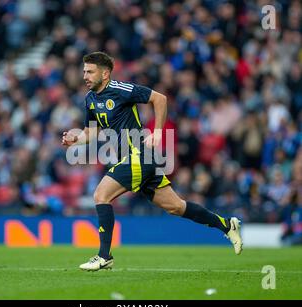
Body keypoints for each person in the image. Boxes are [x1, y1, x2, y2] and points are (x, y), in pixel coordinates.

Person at [62, 52, 243, 271]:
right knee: (176, 207)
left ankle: (104, 256)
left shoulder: (122, 90)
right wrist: (75, 139)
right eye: (84, 71)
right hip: (132, 159)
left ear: (105, 73)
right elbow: (90, 133)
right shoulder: (90, 99)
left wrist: (157, 132)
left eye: (90, 71)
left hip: (140, 155)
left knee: (101, 194)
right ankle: (226, 225)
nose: (85, 76)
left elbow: (160, 99)